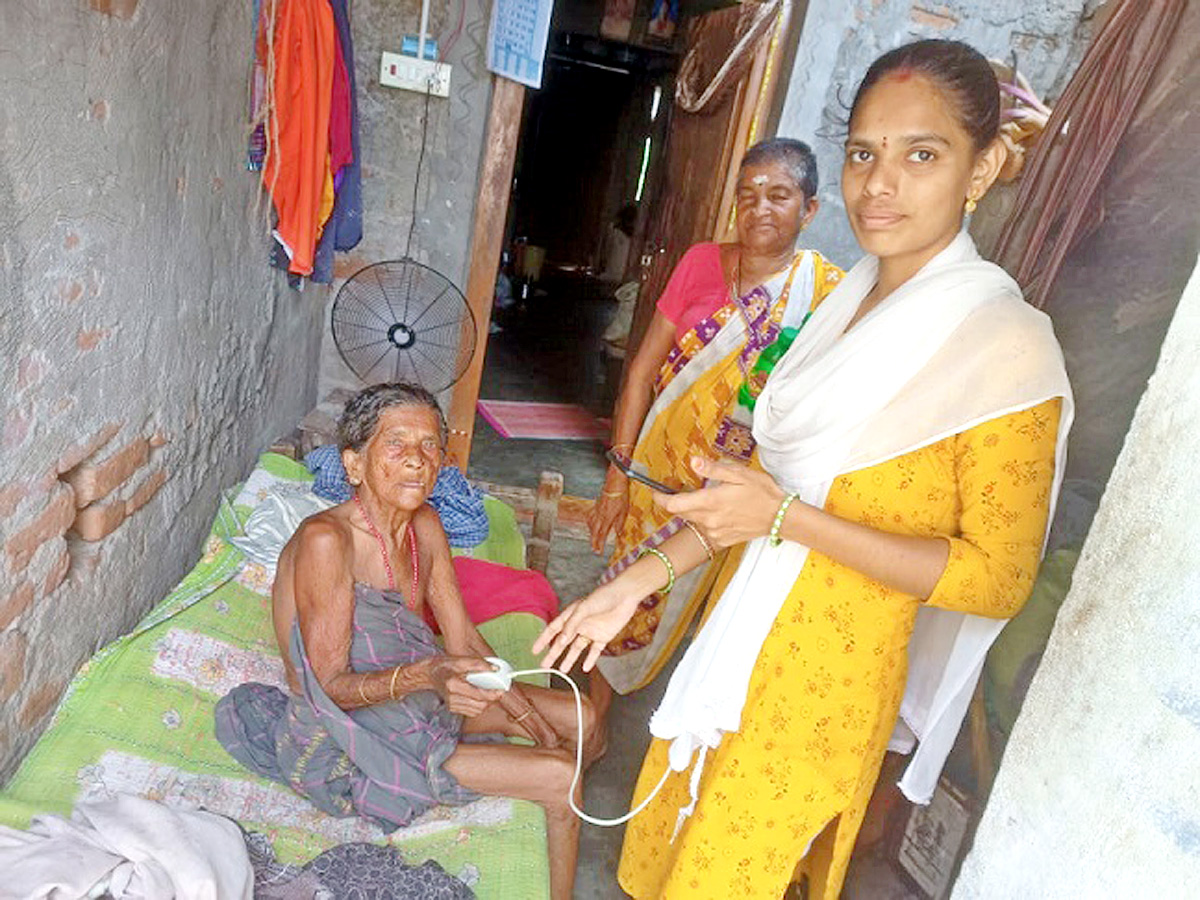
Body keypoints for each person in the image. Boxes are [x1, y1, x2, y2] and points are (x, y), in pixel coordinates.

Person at [536, 39, 1073, 899]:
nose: (879, 184)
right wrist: (632, 582)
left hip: (819, 702)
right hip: (729, 662)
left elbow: (998, 580)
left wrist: (790, 521)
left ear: (986, 167)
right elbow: (746, 509)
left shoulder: (1006, 349)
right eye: (864, 152)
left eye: (921, 155)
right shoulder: (836, 312)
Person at [216, 383, 598, 900]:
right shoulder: (326, 542)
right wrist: (431, 674)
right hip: (346, 735)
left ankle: (548, 794)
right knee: (559, 775)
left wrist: (524, 711)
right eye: (396, 444)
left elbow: (461, 638)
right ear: (354, 464)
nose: (417, 461)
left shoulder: (425, 525)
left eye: (429, 446)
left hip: (415, 701)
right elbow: (330, 687)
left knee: (585, 719)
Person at [586, 138, 844, 714]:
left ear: (810, 210)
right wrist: (617, 477)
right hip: (655, 477)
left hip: (740, 499)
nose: (760, 209)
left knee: (715, 616)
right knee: (623, 593)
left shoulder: (827, 296)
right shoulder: (701, 262)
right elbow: (642, 372)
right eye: (747, 195)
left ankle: (679, 723)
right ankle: (597, 719)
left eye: (779, 196)